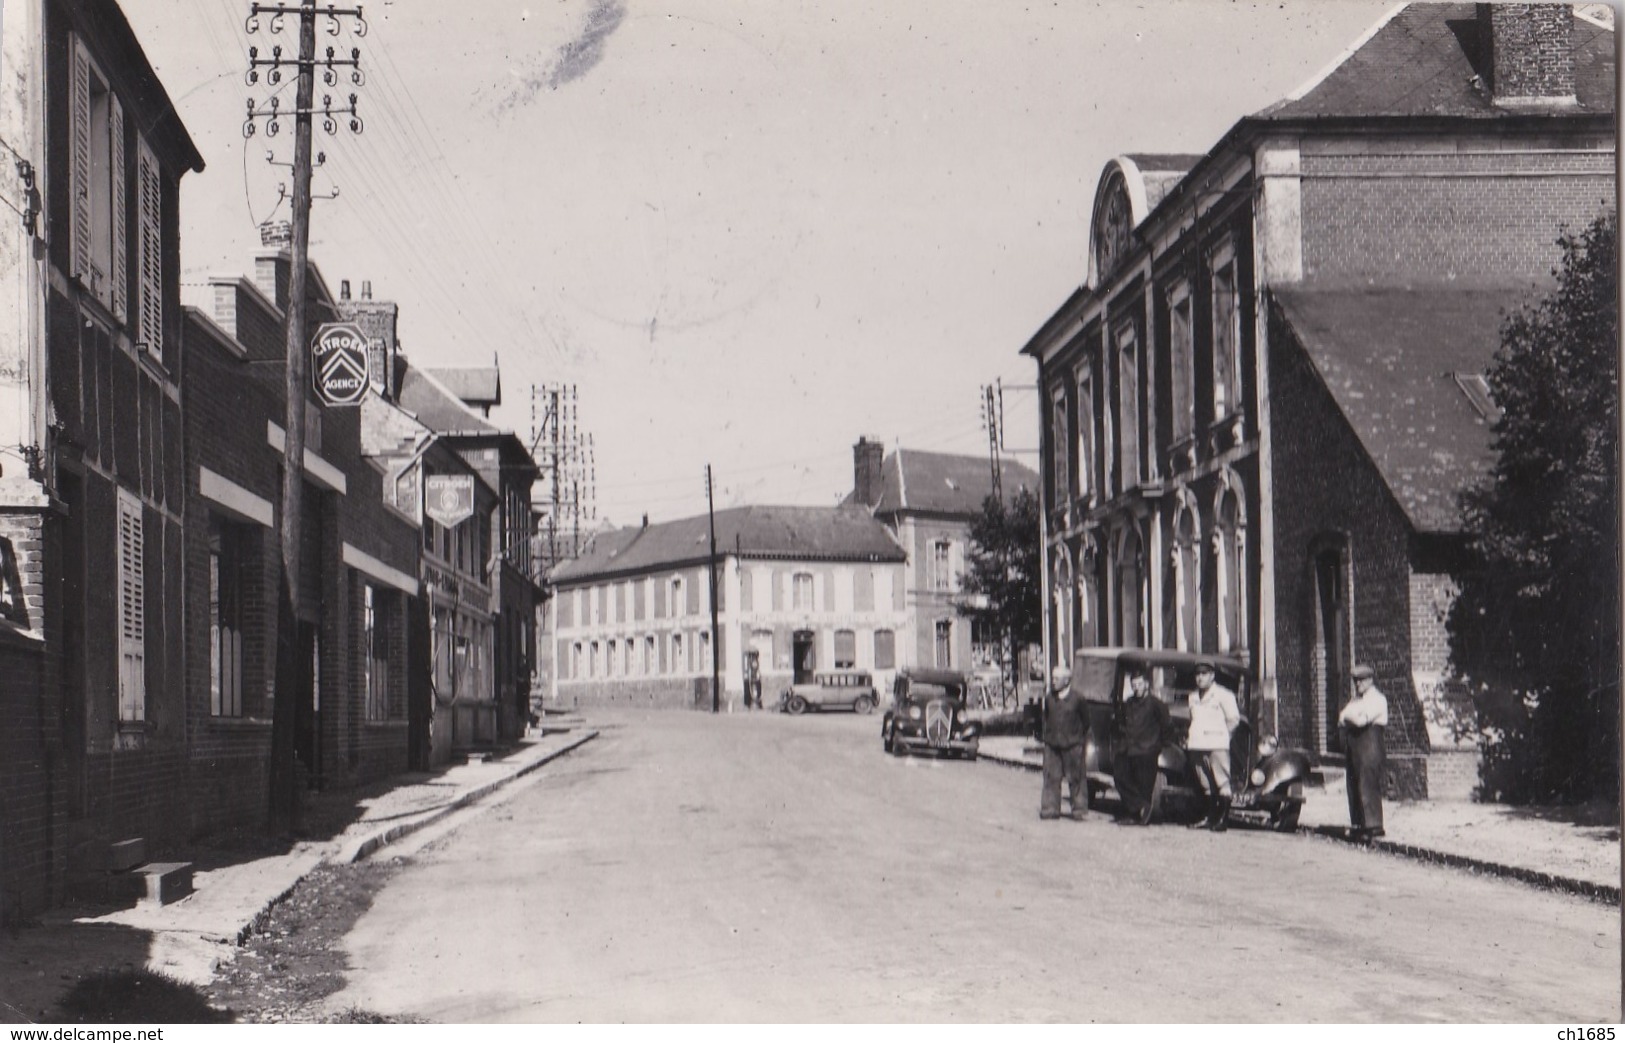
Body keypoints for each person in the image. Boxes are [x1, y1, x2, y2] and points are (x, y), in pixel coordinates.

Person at [1113, 666, 1172, 825]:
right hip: (1129, 748)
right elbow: (1122, 722)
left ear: (1147, 684)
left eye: (1139, 684)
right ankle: (1140, 807)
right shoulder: (1129, 703)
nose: (1136, 688)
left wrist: (1160, 744)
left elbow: (1166, 726)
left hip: (1147, 749)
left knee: (1143, 784)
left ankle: (1138, 816)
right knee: (1119, 777)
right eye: (1133, 685)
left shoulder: (1157, 704)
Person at [1186, 660, 1240, 832]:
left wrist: (1223, 737)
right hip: (1196, 744)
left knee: (1222, 781)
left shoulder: (1223, 695)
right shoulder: (1193, 697)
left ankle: (1223, 819)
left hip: (1217, 744)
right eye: (1197, 674)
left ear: (1212, 675)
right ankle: (1209, 817)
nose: (1200, 678)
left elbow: (1233, 719)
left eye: (1204, 674)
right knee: (1205, 784)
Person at [1339, 664, 1389, 841]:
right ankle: (1359, 824)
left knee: (1368, 782)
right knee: (1353, 783)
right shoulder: (1355, 700)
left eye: (1360, 680)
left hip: (1370, 743)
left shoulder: (1378, 699)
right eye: (1355, 680)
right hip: (1355, 745)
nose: (1357, 684)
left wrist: (1348, 717)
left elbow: (1361, 721)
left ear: (1369, 680)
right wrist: (1348, 717)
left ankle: (1374, 825)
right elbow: (1342, 717)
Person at [1039, 664, 1090, 821]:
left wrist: (1078, 740)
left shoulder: (1078, 699)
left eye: (1056, 678)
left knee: (1076, 778)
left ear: (1067, 680)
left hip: (1073, 745)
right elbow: (1046, 718)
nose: (1053, 681)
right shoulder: (1049, 698)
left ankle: (1079, 810)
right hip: (1052, 745)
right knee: (1051, 778)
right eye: (1052, 678)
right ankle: (1050, 809)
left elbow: (1086, 721)